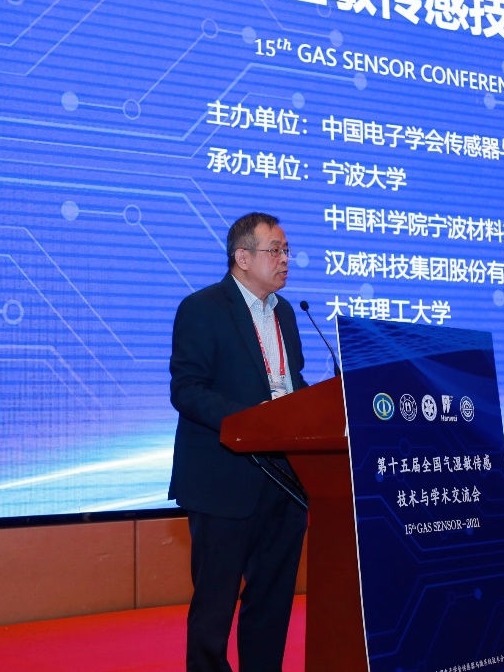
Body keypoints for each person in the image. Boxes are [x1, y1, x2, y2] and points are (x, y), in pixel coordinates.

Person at [169, 212, 309, 672]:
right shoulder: (202, 308)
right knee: (215, 605)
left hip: (285, 480)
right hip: (224, 478)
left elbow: (290, 383)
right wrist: (253, 420)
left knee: (272, 600)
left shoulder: (286, 313)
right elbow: (187, 390)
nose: (285, 259)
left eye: (287, 251)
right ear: (242, 257)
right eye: (275, 250)